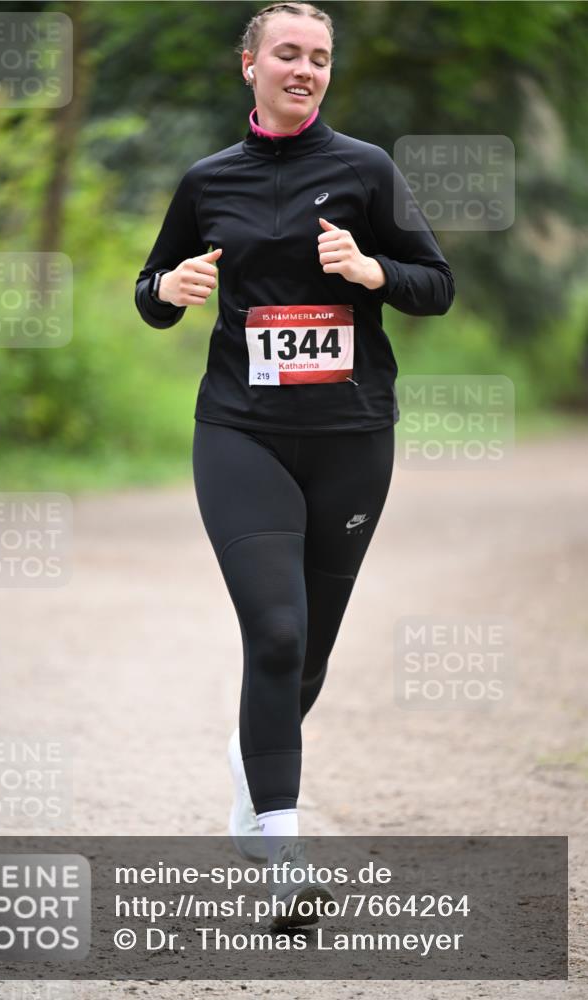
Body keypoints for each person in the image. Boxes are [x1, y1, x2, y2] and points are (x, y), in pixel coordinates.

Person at [134, 1, 454, 927]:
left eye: (319, 56)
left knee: (305, 653)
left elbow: (434, 285)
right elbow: (152, 291)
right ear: (250, 66)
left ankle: (250, 785)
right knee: (275, 631)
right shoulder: (207, 181)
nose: (304, 67)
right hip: (241, 429)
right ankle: (281, 855)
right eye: (287, 52)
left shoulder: (366, 170)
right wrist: (170, 287)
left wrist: (370, 273)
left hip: (351, 436)